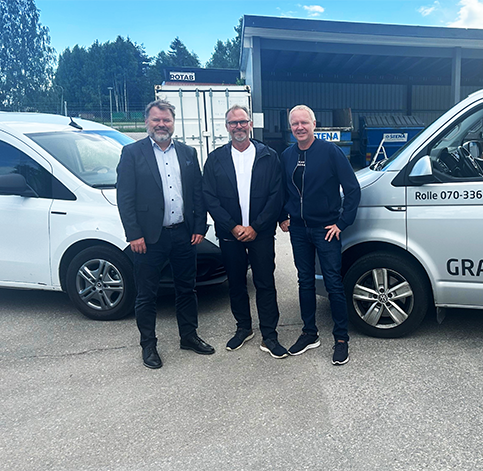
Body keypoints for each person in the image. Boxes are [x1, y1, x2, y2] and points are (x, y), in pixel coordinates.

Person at [116, 99, 215, 369]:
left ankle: (189, 336)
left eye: (166, 120)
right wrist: (133, 234)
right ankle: (148, 345)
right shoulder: (132, 153)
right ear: (146, 121)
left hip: (183, 234)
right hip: (148, 238)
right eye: (156, 119)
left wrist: (199, 226)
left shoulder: (187, 152)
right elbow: (125, 197)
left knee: (187, 289)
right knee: (146, 294)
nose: (162, 124)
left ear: (173, 123)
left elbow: (197, 192)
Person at [202, 105, 288, 359]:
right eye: (233, 123)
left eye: (242, 121)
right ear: (226, 127)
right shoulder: (215, 159)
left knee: (265, 283)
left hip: (261, 234)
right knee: (236, 283)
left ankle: (269, 334)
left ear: (250, 124)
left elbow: (276, 195)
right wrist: (233, 226)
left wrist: (256, 227)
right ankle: (243, 328)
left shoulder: (268, 156)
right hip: (230, 234)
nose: (238, 126)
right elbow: (209, 197)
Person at [279, 105, 361, 365]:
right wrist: (282, 216)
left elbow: (352, 189)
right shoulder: (287, 155)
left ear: (314, 124)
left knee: (333, 283)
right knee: (304, 281)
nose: (299, 127)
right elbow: (281, 190)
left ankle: (341, 339)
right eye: (295, 123)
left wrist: (342, 223)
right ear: (290, 127)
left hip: (326, 229)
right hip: (299, 230)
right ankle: (309, 333)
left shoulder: (330, 152)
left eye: (304, 122)